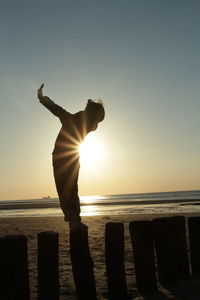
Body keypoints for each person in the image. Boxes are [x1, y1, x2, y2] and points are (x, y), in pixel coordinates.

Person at [37, 84, 105, 228]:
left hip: (70, 156)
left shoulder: (78, 120)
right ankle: (73, 218)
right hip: (67, 156)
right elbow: (57, 110)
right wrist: (43, 99)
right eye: (98, 120)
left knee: (69, 187)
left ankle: (74, 218)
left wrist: (43, 99)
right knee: (68, 187)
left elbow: (59, 111)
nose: (97, 126)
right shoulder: (77, 120)